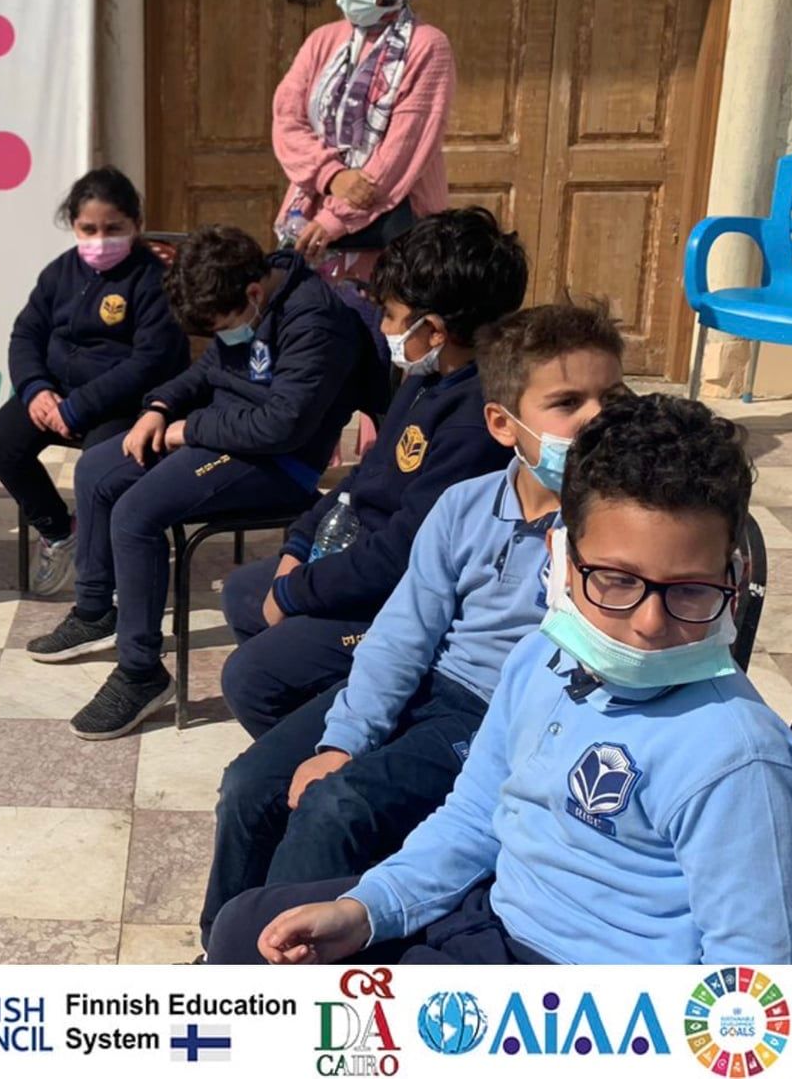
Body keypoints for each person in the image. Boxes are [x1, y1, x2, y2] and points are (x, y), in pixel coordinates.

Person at [208, 394, 792, 967]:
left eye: (691, 589)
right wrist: (366, 911)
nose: (649, 623)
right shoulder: (537, 661)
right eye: (615, 580)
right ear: (560, 561)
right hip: (488, 922)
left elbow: (758, 981)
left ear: (733, 579)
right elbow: (474, 817)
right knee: (244, 929)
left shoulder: (735, 758)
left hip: (580, 1004)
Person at [199, 304, 627, 946]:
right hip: (433, 684)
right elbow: (404, 632)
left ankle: (293, 970)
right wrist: (344, 739)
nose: (595, 418)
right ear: (502, 423)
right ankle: (223, 951)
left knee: (337, 807)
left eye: (610, 399)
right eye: (567, 403)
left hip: (499, 715)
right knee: (248, 785)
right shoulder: (465, 506)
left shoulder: (616, 528)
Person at [27, 226, 387, 741]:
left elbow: (282, 426)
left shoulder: (316, 321)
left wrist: (188, 429)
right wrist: (160, 407)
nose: (223, 335)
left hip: (278, 463)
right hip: (221, 437)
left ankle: (140, 672)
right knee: (96, 470)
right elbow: (209, 371)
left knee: (135, 513)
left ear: (254, 292)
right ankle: (94, 610)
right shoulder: (244, 303)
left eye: (222, 325)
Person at [220, 207, 527, 737]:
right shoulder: (426, 379)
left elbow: (403, 555)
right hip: (358, 559)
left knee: (252, 677)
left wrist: (296, 592)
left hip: (399, 598)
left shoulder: (475, 423)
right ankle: (325, 721)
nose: (384, 329)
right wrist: (299, 547)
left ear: (433, 330)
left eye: (389, 314)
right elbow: (363, 479)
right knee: (245, 593)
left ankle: (343, 756)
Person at [0, 167, 189, 598]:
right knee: (1, 440)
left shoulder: (153, 279)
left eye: (113, 229)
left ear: (136, 224)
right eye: (88, 229)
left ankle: (107, 564)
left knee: (100, 466)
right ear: (74, 226)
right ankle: (59, 531)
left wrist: (78, 408)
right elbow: (26, 334)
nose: (100, 240)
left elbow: (150, 362)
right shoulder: (59, 272)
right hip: (55, 392)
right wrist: (35, 389)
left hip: (124, 403)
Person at [272, 0, 453, 281]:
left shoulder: (428, 46)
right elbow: (287, 121)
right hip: (310, 223)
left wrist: (336, 217)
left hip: (390, 228)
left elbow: (403, 150)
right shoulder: (323, 41)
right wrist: (330, 175)